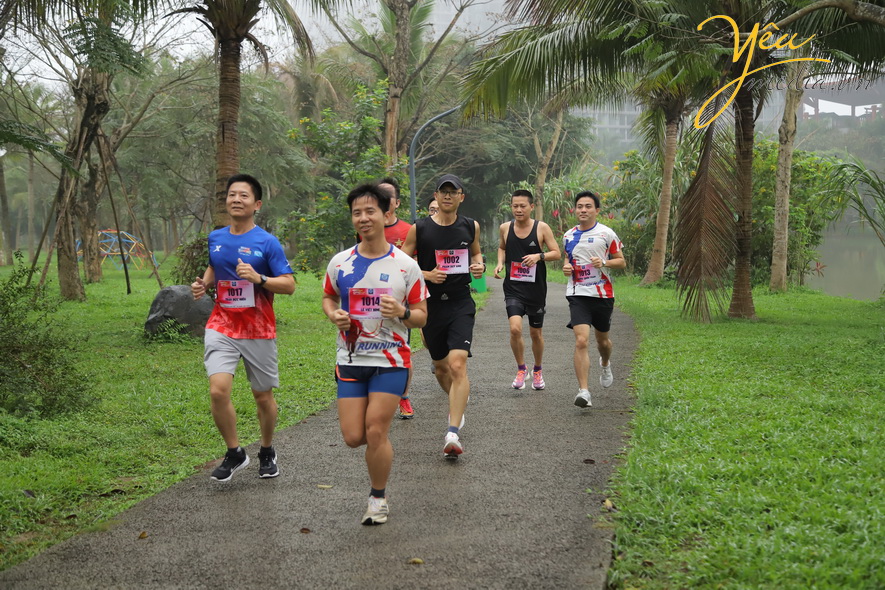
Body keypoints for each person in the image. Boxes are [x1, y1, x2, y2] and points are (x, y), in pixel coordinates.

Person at [323, 183, 428, 525]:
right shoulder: (341, 263)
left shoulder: (405, 266)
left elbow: (421, 314)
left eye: (370, 211)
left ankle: (377, 498)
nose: (363, 218)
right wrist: (333, 313)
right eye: (357, 212)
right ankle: (376, 480)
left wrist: (401, 311)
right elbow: (328, 297)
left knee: (376, 430)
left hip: (391, 361)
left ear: (386, 214)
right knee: (354, 437)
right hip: (351, 359)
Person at [191, 174, 296, 482]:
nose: (236, 199)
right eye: (231, 195)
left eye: (243, 196)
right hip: (221, 324)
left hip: (258, 329)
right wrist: (203, 283)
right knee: (217, 390)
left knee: (262, 396)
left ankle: (266, 450)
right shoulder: (216, 237)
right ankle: (235, 452)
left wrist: (259, 279)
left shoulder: (267, 242)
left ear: (256, 204)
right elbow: (215, 265)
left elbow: (289, 285)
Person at [401, 174, 484, 458]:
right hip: (430, 305)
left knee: (457, 364)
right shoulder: (419, 229)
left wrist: (478, 268)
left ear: (462, 197)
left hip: (461, 302)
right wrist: (426, 274)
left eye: (453, 192)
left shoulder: (470, 226)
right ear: (435, 196)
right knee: (440, 367)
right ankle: (457, 400)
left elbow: (476, 256)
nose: (447, 196)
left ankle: (453, 432)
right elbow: (400, 264)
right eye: (443, 192)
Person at [561, 191, 625, 408]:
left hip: (603, 294)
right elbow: (567, 260)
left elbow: (621, 262)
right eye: (579, 206)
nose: (583, 210)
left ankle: (605, 363)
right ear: (575, 210)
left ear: (597, 210)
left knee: (603, 342)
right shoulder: (568, 235)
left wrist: (605, 263)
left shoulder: (607, 234)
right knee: (581, 340)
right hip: (577, 293)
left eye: (588, 206)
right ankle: (584, 391)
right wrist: (566, 268)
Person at [493, 189, 561, 391]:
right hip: (513, 287)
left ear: (531, 207)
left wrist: (538, 256)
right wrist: (499, 263)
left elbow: (556, 253)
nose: (518, 209)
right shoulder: (505, 227)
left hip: (536, 289)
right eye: (515, 206)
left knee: (535, 333)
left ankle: (538, 370)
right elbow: (502, 247)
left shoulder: (542, 228)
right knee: (515, 328)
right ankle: (521, 369)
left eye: (523, 206)